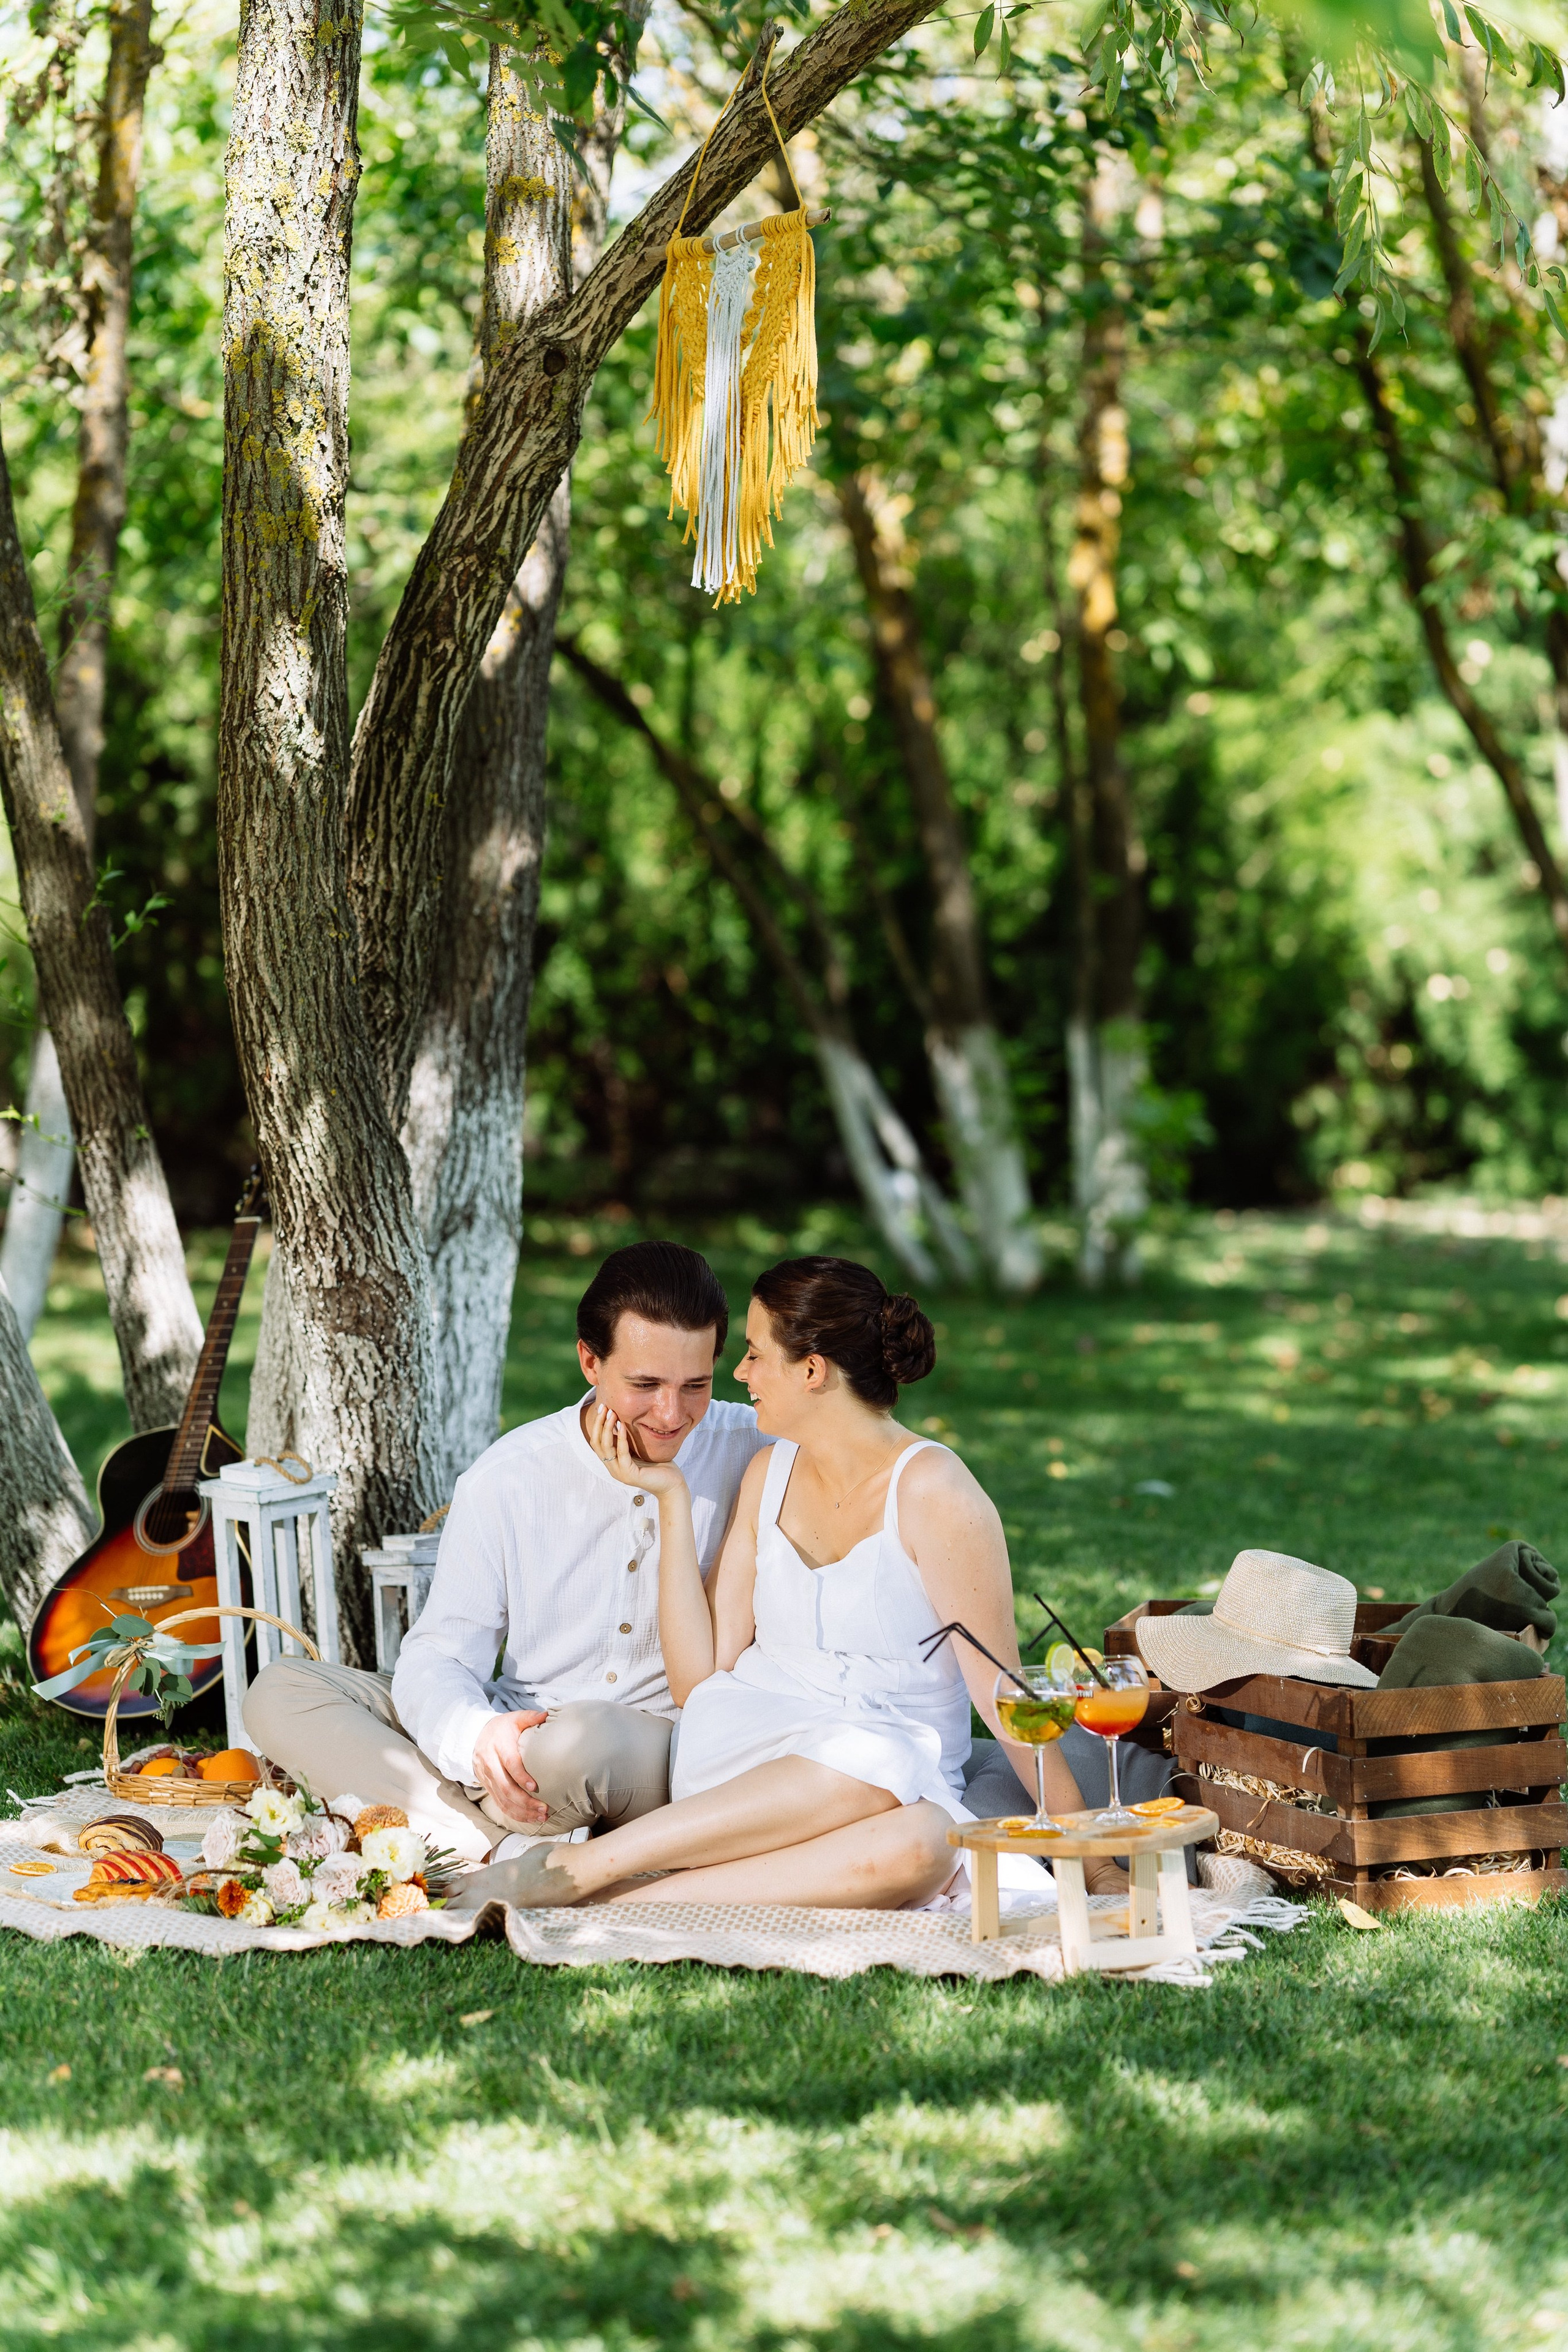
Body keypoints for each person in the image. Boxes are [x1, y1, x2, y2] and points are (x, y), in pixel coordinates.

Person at [451, 1256, 1121, 1912]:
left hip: (886, 1786)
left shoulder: (936, 1494)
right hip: (744, 1756)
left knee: (927, 1842)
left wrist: (1094, 1864)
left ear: (811, 1370)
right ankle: (578, 1867)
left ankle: (620, 1898)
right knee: (878, 1756)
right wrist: (670, 1498)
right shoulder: (767, 1474)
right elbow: (696, 1683)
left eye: (753, 1353)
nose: (740, 1373)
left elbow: (1004, 1696)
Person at [243, 1240, 766, 1860]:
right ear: (590, 1362)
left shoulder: (755, 1449)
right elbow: (440, 1652)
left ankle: (451, 1828)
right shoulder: (510, 1476)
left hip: (654, 1749)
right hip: (526, 1733)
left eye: (695, 1385)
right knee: (281, 1691)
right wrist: (476, 1737)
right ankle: (501, 1845)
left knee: (586, 1740)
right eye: (645, 1385)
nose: (672, 1414)